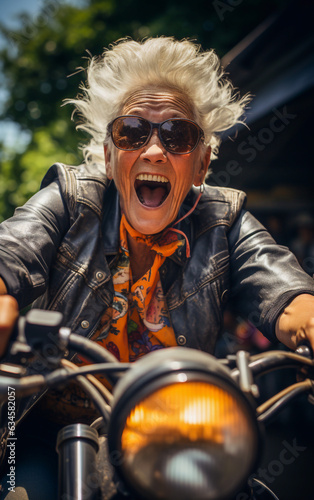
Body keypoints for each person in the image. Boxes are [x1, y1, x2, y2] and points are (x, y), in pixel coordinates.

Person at [0, 37, 314, 498]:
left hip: (175, 433)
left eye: (177, 135)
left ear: (202, 162)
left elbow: (284, 290)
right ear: (109, 155)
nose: (153, 151)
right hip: (50, 430)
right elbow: (11, 251)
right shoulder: (72, 198)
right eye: (131, 132)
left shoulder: (224, 220)